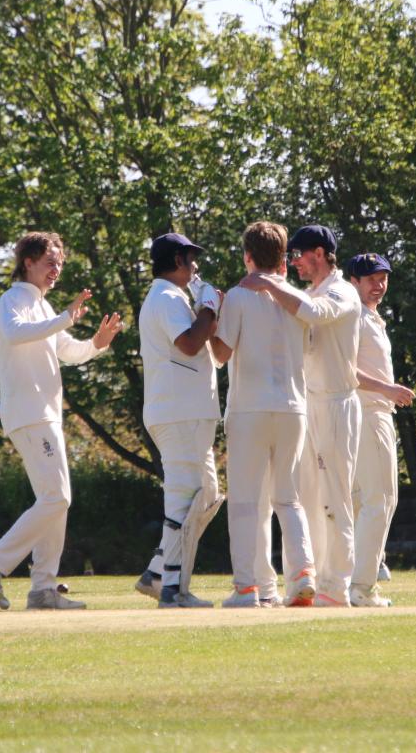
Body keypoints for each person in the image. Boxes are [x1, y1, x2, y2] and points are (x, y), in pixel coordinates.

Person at [0, 232, 123, 611]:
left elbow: (68, 351)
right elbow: (14, 334)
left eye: (60, 263)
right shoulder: (12, 300)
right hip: (29, 414)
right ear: (28, 262)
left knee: (55, 501)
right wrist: (65, 317)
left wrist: (97, 344)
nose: (57, 270)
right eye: (50, 262)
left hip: (45, 415)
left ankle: (43, 590)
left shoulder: (44, 307)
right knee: (58, 497)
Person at [242, 224, 362, 607]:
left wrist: (267, 284)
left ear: (321, 253)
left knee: (336, 498)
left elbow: (314, 313)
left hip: (339, 403)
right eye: (289, 256)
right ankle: (307, 584)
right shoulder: (308, 291)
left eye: (299, 255)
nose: (293, 263)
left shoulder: (342, 291)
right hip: (307, 405)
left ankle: (337, 587)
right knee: (306, 498)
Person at [210, 221, 317, 609]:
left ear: (248, 257)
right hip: (292, 407)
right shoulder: (295, 297)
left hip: (250, 408)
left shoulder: (239, 297)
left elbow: (221, 355)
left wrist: (214, 315)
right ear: (284, 259)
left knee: (244, 501)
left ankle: (247, 587)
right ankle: (303, 573)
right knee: (288, 499)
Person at [132, 232, 224, 609]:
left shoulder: (171, 297)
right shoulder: (168, 297)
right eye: (191, 259)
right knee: (185, 497)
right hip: (178, 412)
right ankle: (171, 588)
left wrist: (205, 308)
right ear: (177, 261)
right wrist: (209, 309)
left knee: (208, 497)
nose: (196, 267)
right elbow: (188, 343)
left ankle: (157, 574)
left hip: (186, 412)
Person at [347, 252, 416, 607]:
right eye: (371, 279)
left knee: (366, 501)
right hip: (367, 412)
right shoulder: (353, 317)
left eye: (383, 278)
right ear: (353, 281)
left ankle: (356, 581)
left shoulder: (372, 318)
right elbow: (343, 370)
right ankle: (362, 587)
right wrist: (388, 389)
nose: (379, 285)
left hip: (374, 412)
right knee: (381, 499)